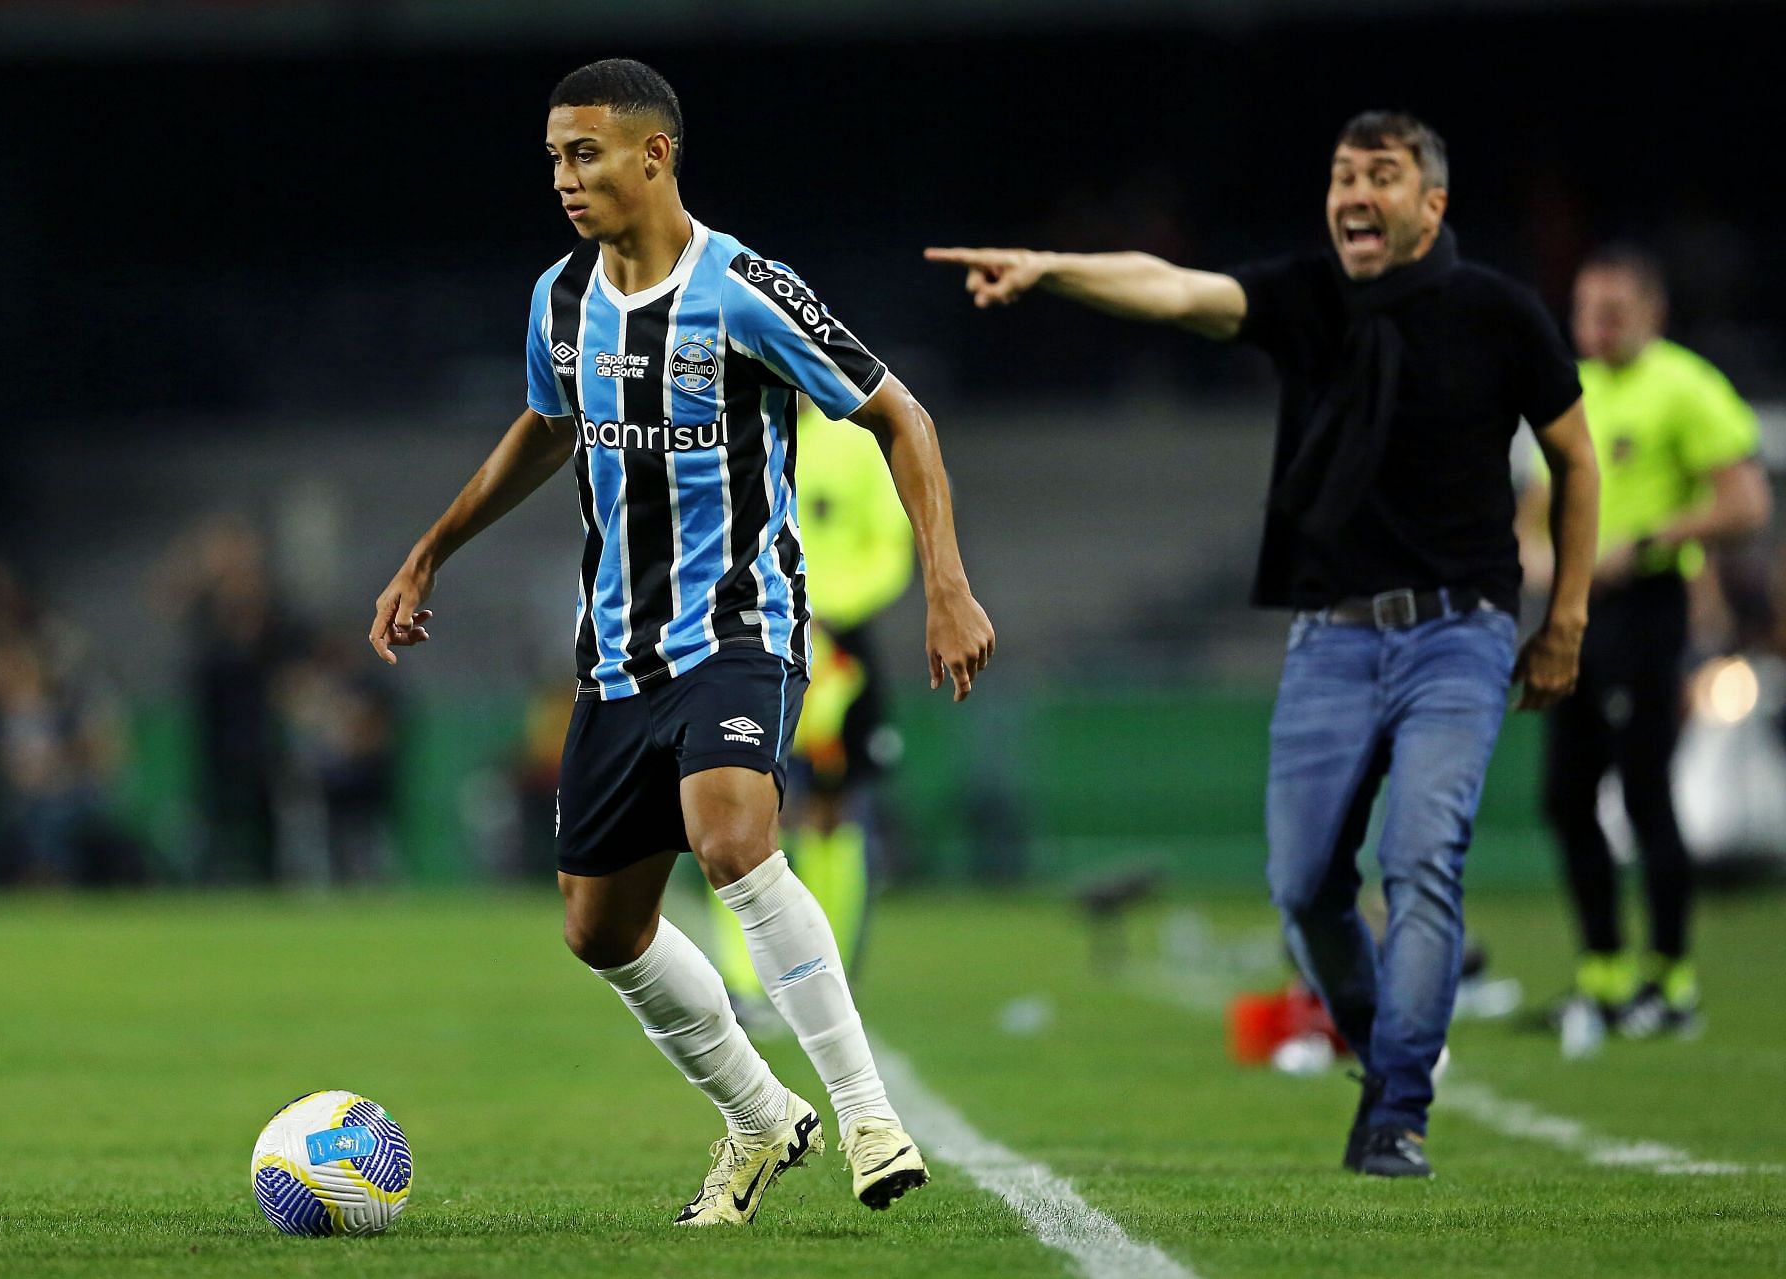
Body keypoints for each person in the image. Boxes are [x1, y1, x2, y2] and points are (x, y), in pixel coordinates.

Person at [369, 59, 994, 1224]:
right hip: (614, 655)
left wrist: (945, 587)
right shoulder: (560, 299)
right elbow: (547, 429)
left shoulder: (747, 288)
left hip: (742, 627)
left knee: (732, 835)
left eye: (585, 153)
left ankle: (866, 1114)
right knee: (598, 927)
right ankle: (761, 1117)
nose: (564, 178)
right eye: (555, 157)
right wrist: (430, 549)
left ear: (655, 157)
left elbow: (900, 414)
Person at [928, 110, 1599, 1178]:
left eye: (1381, 174)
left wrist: (1562, 621)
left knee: (1424, 860)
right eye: (1341, 174)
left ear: (1432, 203)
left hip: (1458, 638)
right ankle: (1388, 1054)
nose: (1353, 193)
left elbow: (1575, 457)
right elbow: (1176, 288)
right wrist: (1054, 269)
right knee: (1300, 889)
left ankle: (1398, 1106)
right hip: (1330, 640)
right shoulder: (1307, 297)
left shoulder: (1499, 314)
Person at [1516, 246, 1769, 1045]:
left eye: (1614, 309)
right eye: (1587, 307)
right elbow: (1532, 513)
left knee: (1644, 791)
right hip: (1576, 609)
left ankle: (1671, 978)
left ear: (1652, 313)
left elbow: (1748, 503)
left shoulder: (1686, 388)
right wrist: (1538, 560)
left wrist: (1655, 536)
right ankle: (1604, 972)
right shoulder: (1568, 389)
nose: (1597, 322)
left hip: (1648, 605)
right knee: (1565, 795)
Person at [707, 400, 916, 1024]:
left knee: (833, 811)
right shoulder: (723, 431)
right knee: (740, 811)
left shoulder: (854, 442)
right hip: (751, 639)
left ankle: (828, 971)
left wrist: (829, 605)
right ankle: (748, 980)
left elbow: (890, 545)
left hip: (838, 649)